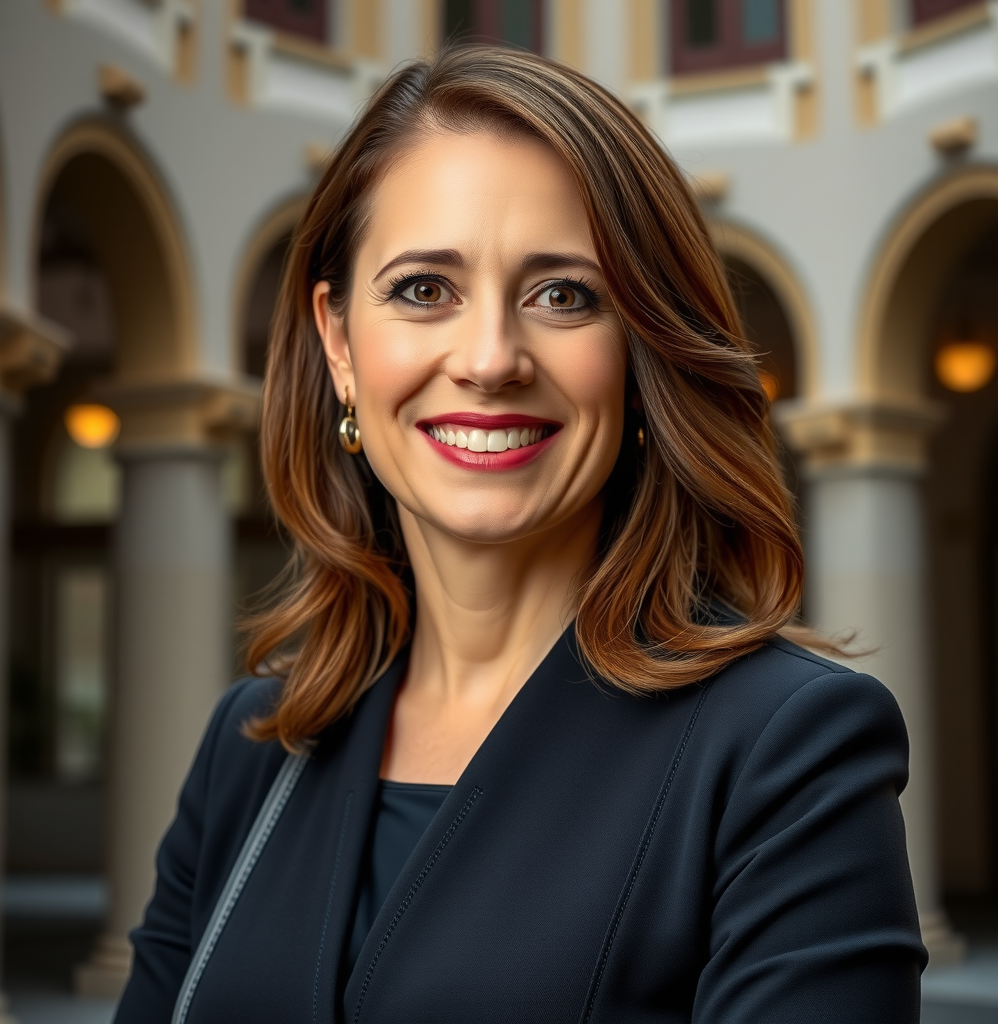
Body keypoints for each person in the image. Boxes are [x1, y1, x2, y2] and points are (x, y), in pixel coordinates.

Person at [114, 46, 926, 1024]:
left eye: (563, 294)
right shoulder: (255, 744)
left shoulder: (786, 748)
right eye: (423, 288)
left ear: (640, 349)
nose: (490, 358)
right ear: (337, 343)